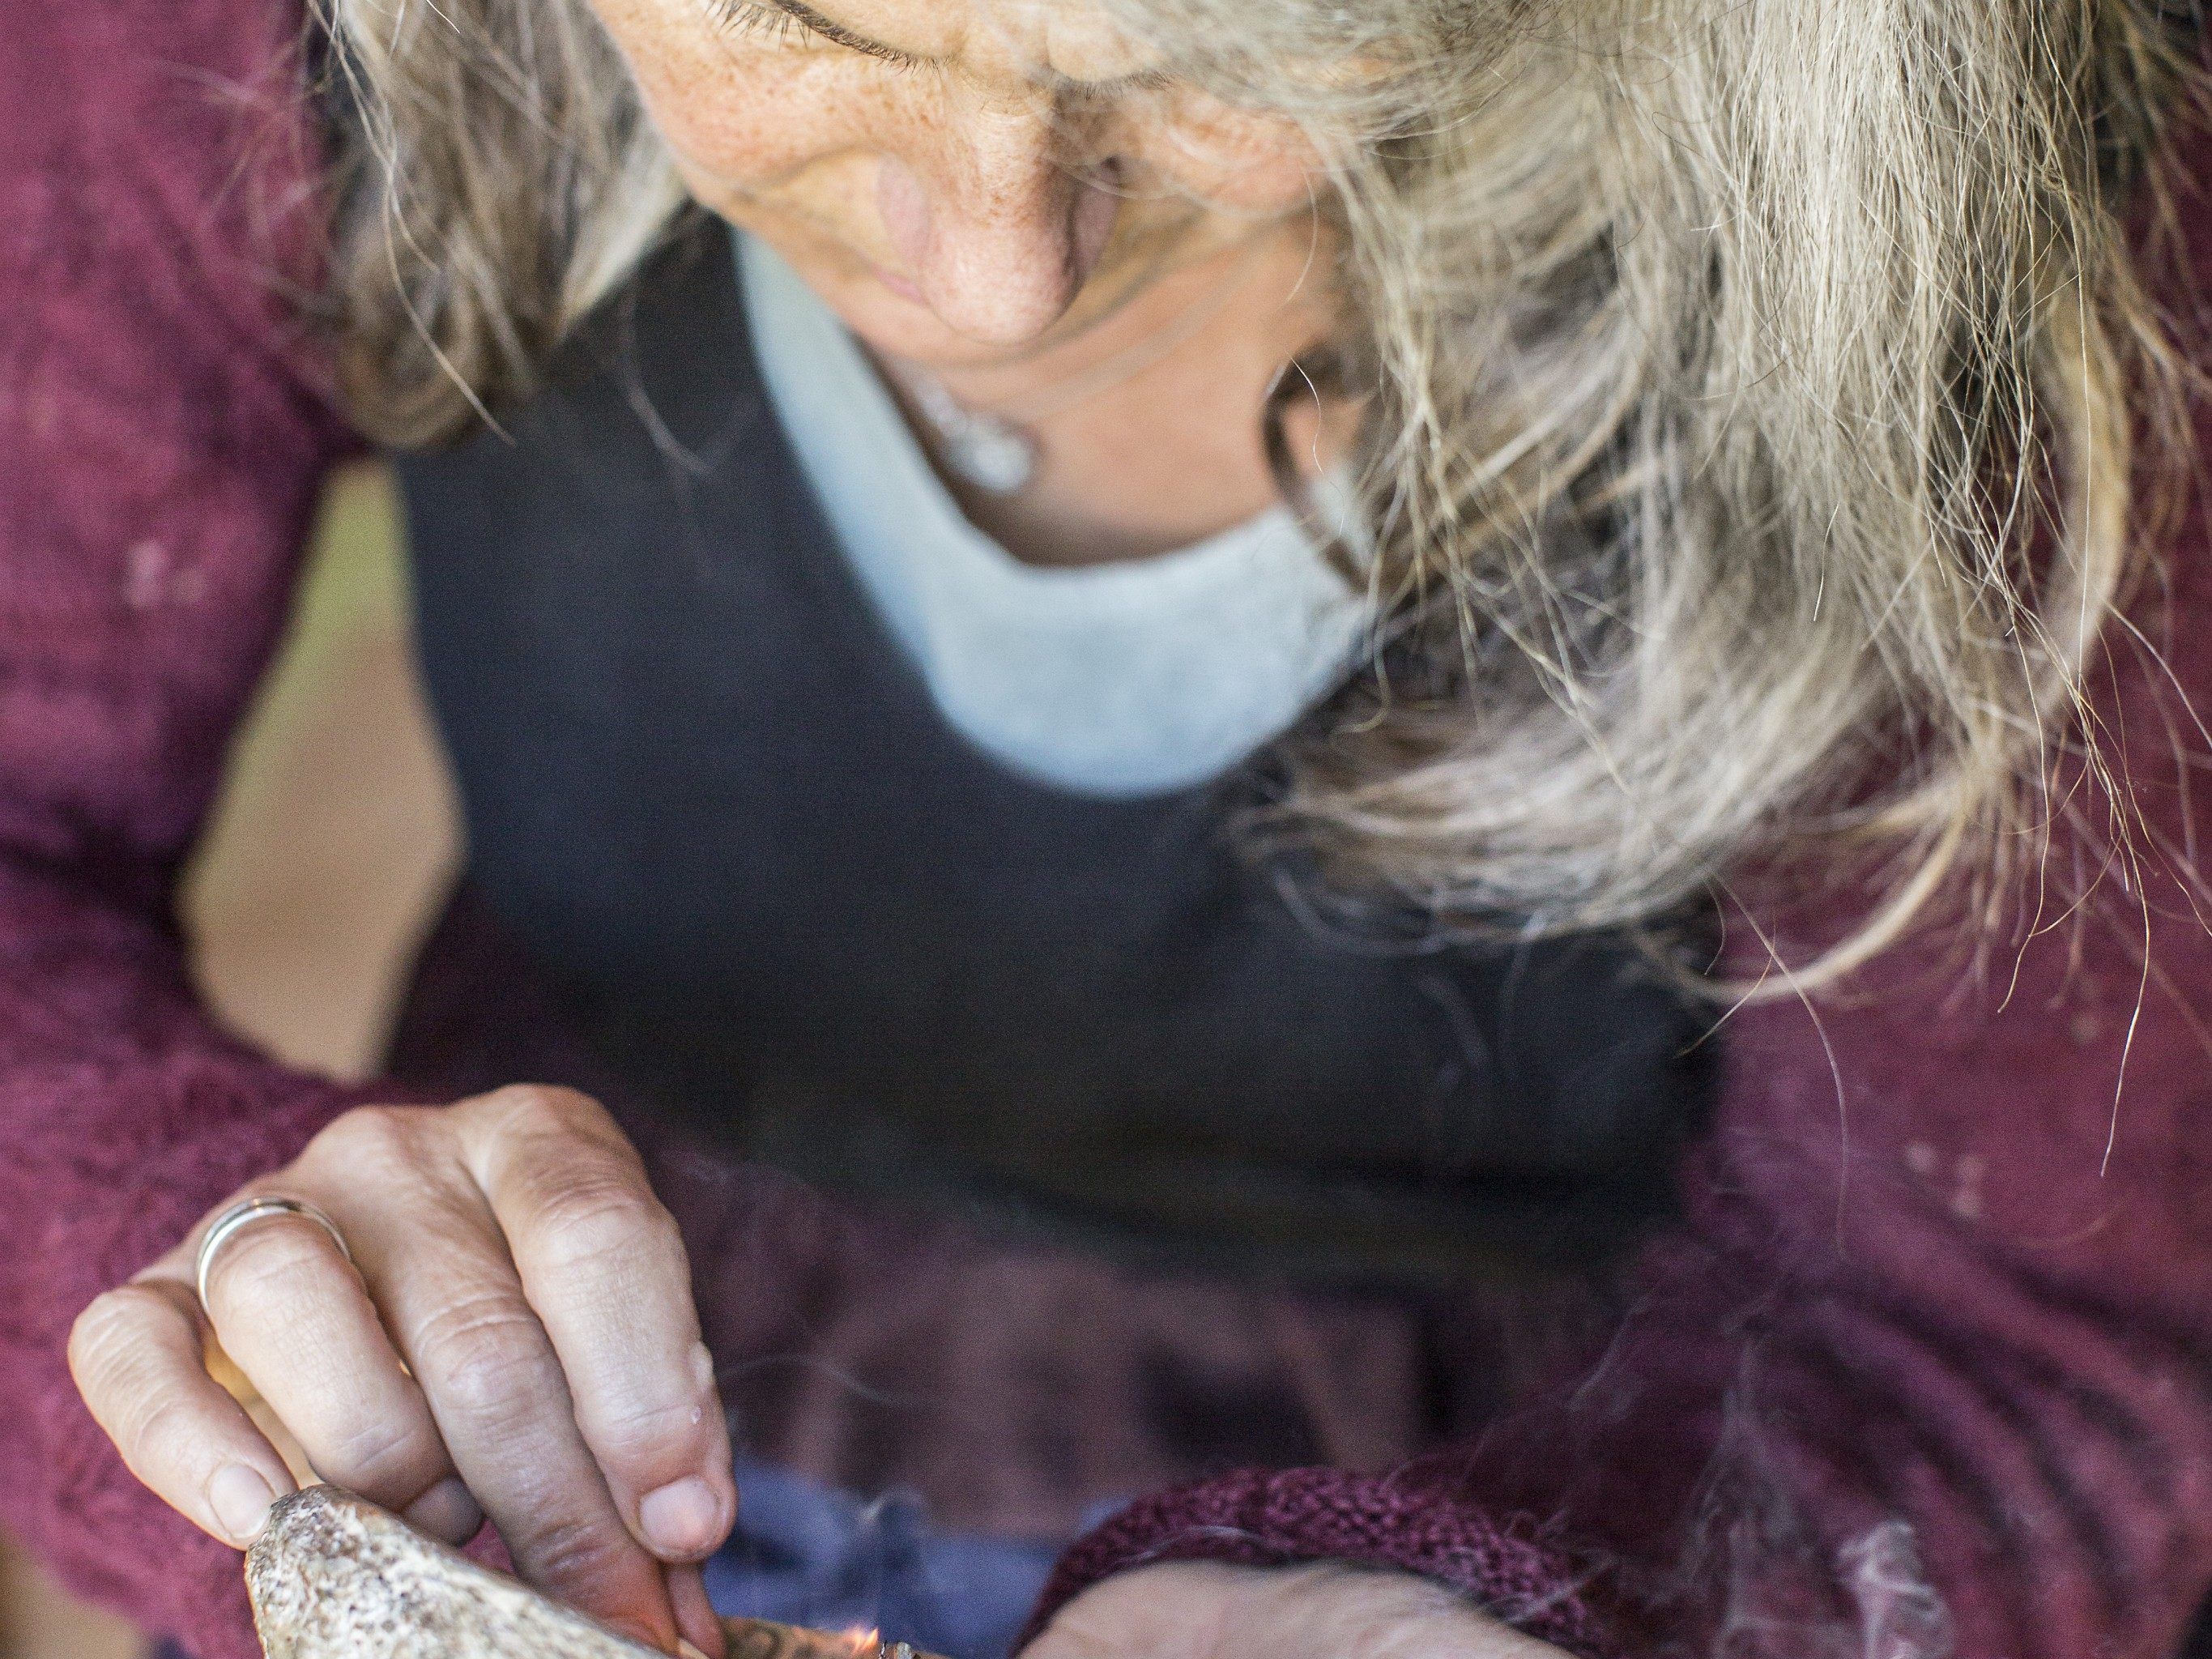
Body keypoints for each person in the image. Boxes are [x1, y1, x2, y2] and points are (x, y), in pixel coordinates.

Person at [7, 0, 2212, 1657]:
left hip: (1621, 1484)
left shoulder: (2016, 234)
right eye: (808, 18)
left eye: (1227, 51)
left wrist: (1520, 1608)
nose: (994, 286)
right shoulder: (226, 49)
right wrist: (253, 1340)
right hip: (580, 1471)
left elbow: (2029, 1340)